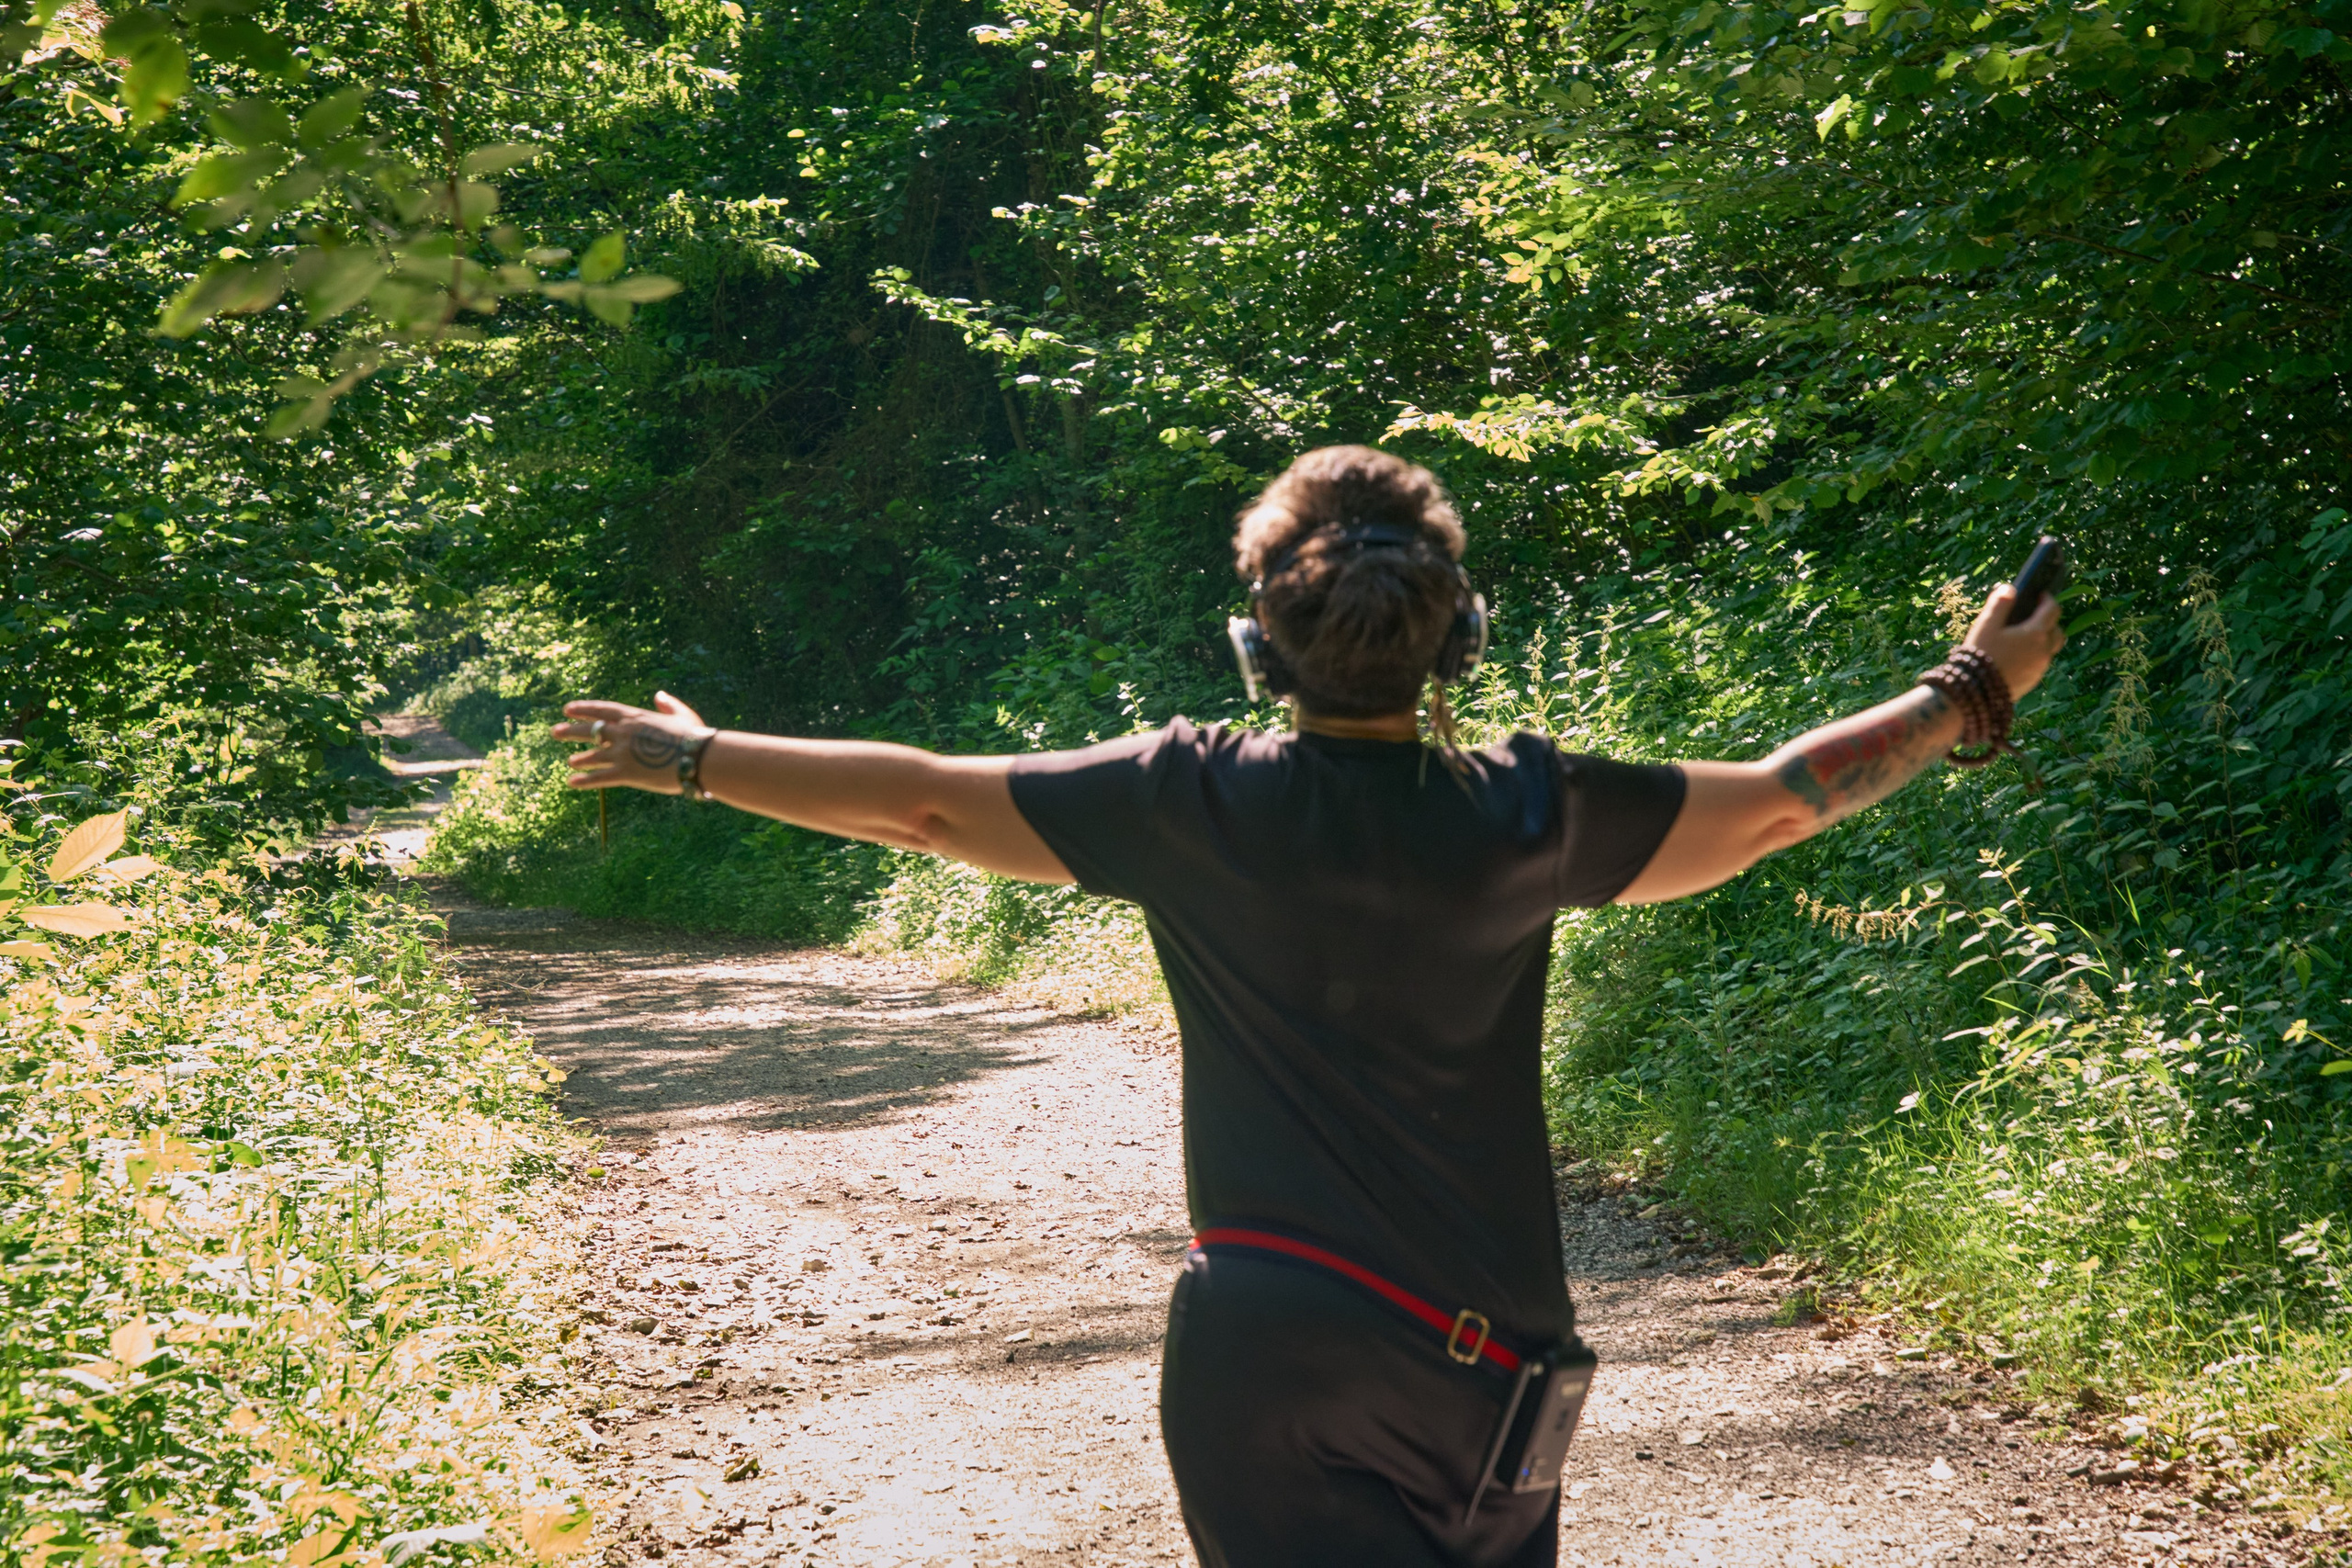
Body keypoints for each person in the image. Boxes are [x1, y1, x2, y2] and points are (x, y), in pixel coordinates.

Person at [555, 445, 2064, 1568]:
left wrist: (700, 755)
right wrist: (1973, 683)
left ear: (1256, 647)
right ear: (1459, 640)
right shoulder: (1529, 815)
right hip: (1480, 1359)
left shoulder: (1187, 801)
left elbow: (930, 809)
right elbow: (1786, 801)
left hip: (1261, 1344)